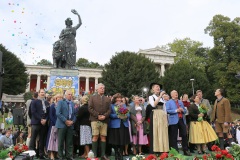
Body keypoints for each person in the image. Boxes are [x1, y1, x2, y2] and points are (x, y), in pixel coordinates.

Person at [88, 83, 111, 160]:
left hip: (104, 120)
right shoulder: (92, 97)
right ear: (97, 89)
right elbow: (90, 108)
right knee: (95, 136)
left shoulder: (107, 99)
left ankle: (103, 155)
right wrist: (97, 115)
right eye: (101, 88)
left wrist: (104, 116)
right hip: (94, 120)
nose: (102, 89)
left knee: (103, 137)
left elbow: (109, 110)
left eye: (103, 88)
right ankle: (94, 155)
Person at [166, 90, 191, 156]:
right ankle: (175, 151)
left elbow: (185, 111)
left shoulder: (180, 102)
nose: (176, 94)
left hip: (181, 120)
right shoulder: (168, 102)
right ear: (171, 95)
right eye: (174, 93)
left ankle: (185, 150)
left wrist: (183, 110)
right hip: (173, 121)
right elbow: (167, 110)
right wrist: (176, 110)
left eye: (176, 93)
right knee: (173, 136)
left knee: (184, 135)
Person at [146, 83, 169, 154]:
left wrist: (166, 118)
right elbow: (153, 105)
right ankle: (156, 149)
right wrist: (160, 96)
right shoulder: (151, 97)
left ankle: (163, 148)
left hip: (162, 115)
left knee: (162, 131)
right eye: (156, 87)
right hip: (156, 114)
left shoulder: (162, 98)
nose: (158, 88)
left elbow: (165, 108)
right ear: (153, 89)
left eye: (159, 87)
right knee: (156, 131)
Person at [108, 93, 130, 160]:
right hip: (115, 125)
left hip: (123, 124)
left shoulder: (123, 105)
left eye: (120, 98)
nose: (119, 99)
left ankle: (121, 154)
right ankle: (116, 153)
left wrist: (125, 116)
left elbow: (128, 114)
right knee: (115, 140)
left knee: (122, 140)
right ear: (115, 99)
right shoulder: (111, 106)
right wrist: (117, 116)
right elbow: (110, 115)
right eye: (117, 98)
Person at [55, 90, 76, 160]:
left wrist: (72, 121)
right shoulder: (61, 102)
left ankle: (69, 156)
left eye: (71, 94)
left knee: (69, 142)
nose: (70, 95)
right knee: (60, 142)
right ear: (65, 95)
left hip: (70, 125)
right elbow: (58, 113)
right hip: (62, 125)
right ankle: (60, 156)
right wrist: (66, 121)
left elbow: (75, 114)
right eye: (69, 94)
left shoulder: (73, 103)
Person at [29, 89, 48, 159]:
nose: (43, 94)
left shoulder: (46, 102)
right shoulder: (34, 102)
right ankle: (31, 155)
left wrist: (45, 119)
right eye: (41, 92)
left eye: (44, 92)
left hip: (44, 124)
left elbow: (47, 113)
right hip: (36, 123)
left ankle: (41, 154)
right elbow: (33, 112)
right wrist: (40, 119)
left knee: (42, 139)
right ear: (39, 94)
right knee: (33, 139)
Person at [47, 94, 63, 160]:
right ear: (55, 98)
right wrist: (55, 123)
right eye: (58, 97)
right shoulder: (53, 106)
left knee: (58, 140)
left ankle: (56, 154)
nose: (59, 98)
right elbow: (51, 116)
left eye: (60, 97)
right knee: (51, 140)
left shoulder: (62, 106)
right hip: (53, 125)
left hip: (61, 125)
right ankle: (51, 154)